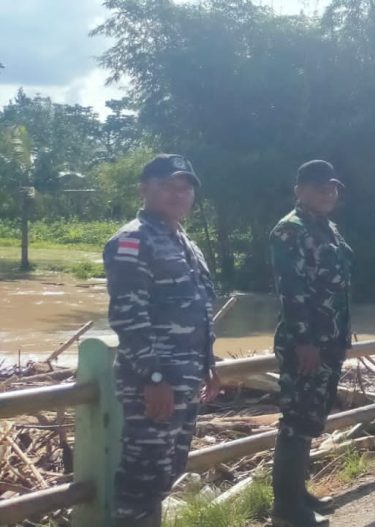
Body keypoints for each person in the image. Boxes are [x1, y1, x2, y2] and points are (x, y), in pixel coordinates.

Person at [104, 154, 219, 527]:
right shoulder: (132, 240)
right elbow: (129, 317)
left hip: (185, 380)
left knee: (167, 472)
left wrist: (209, 365)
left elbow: (199, 309)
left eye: (185, 187)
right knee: (142, 479)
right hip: (154, 383)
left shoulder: (186, 242)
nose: (178, 193)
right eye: (167, 185)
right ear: (144, 188)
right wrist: (154, 379)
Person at [269, 160, 353, 526]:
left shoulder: (328, 228)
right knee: (296, 421)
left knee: (311, 420)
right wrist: (304, 341)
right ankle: (287, 508)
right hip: (306, 344)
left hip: (330, 340)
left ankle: (299, 493)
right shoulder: (290, 230)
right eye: (319, 187)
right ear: (299, 190)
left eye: (332, 187)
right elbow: (292, 290)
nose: (328, 192)